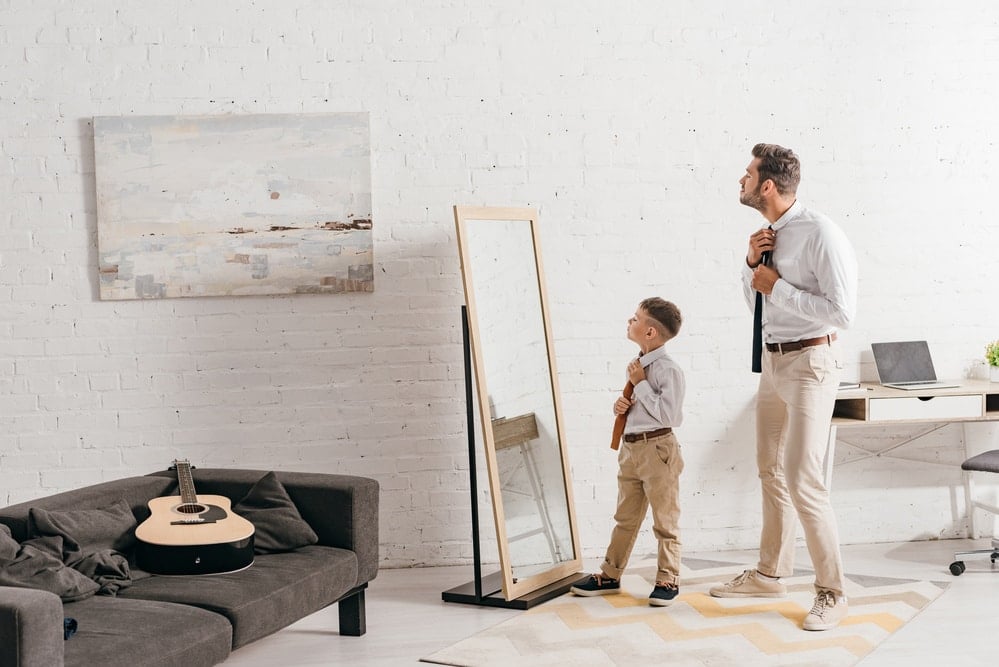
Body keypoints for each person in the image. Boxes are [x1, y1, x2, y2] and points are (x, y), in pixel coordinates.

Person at [709, 143, 858, 631]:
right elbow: (757, 306)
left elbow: (841, 313)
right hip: (773, 363)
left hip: (812, 362)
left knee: (802, 478)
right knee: (769, 470)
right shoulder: (768, 234)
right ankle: (771, 572)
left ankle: (831, 593)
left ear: (767, 185)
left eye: (748, 174)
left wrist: (778, 287)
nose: (741, 180)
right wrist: (751, 266)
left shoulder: (822, 234)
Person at [570, 297, 686, 607]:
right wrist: (623, 405)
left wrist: (641, 385)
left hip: (658, 450)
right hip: (632, 448)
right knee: (626, 516)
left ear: (650, 332)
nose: (629, 321)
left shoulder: (666, 370)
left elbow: (670, 415)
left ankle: (668, 578)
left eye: (635, 318)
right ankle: (610, 574)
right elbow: (644, 408)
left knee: (665, 519)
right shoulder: (638, 365)